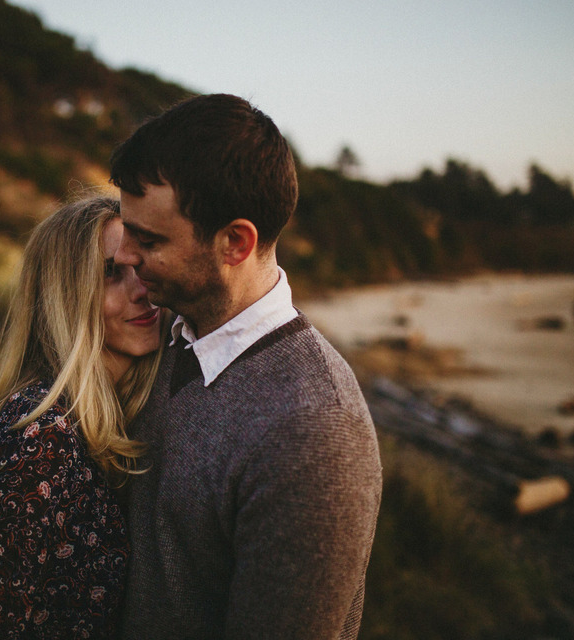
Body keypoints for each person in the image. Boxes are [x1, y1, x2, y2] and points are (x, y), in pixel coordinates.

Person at [110, 94, 383, 639]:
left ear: (235, 242)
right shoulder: (162, 341)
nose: (124, 255)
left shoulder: (313, 430)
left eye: (149, 239)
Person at [0, 197, 164, 639]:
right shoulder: (39, 432)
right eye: (110, 273)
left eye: (141, 266)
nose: (142, 288)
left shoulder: (129, 414)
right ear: (64, 296)